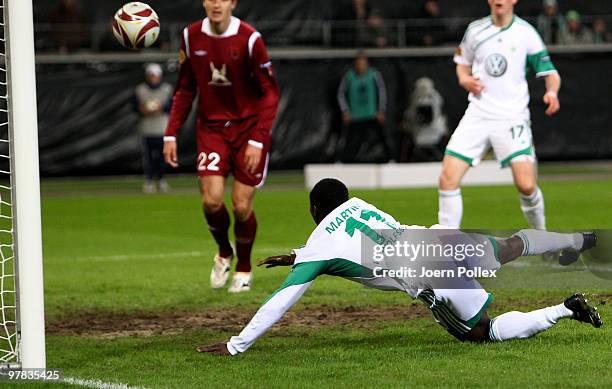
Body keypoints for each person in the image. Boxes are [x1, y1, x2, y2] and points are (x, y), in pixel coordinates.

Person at [196, 178, 601, 355]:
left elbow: (284, 297)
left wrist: (236, 344)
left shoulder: (322, 240)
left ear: (315, 211)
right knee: (511, 245)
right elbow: (352, 239)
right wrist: (301, 254)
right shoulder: (358, 206)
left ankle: (564, 308)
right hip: (437, 239)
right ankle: (576, 240)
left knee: (482, 333)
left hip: (425, 273)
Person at [163, 0, 280, 292]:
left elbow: (269, 94)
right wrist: (170, 133)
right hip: (212, 130)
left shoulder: (250, 39)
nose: (216, 4)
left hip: (248, 130)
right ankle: (224, 251)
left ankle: (244, 266)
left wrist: (257, 138)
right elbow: (185, 88)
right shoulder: (191, 37)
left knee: (241, 206)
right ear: (204, 2)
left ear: (233, 3)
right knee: (211, 201)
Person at [438, 0, 561, 237]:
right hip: (478, 114)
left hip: (512, 117)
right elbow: (462, 65)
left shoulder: (526, 33)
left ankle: (542, 234)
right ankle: (446, 242)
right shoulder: (475, 30)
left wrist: (551, 92)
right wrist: (464, 79)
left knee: (526, 185)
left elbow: (551, 74)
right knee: (447, 178)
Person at [337, 51, 392, 162]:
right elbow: (340, 94)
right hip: (355, 116)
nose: (360, 66)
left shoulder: (374, 75)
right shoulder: (349, 76)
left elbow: (382, 92)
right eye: (358, 63)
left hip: (372, 115)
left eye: (363, 63)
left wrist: (381, 110)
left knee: (383, 138)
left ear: (367, 64)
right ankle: (344, 162)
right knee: (351, 141)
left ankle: (391, 159)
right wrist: (345, 111)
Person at [133, 64, 173, 194]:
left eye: (155, 75)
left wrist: (161, 108)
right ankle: (149, 181)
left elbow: (172, 106)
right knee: (148, 158)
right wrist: (142, 109)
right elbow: (134, 107)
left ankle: (161, 181)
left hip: (162, 129)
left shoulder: (167, 89)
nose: (153, 78)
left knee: (162, 157)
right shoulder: (140, 90)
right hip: (146, 129)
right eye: (151, 75)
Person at [401, 77, 448, 162]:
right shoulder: (415, 98)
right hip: (419, 132)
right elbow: (411, 114)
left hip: (434, 131)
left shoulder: (435, 98)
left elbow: (437, 114)